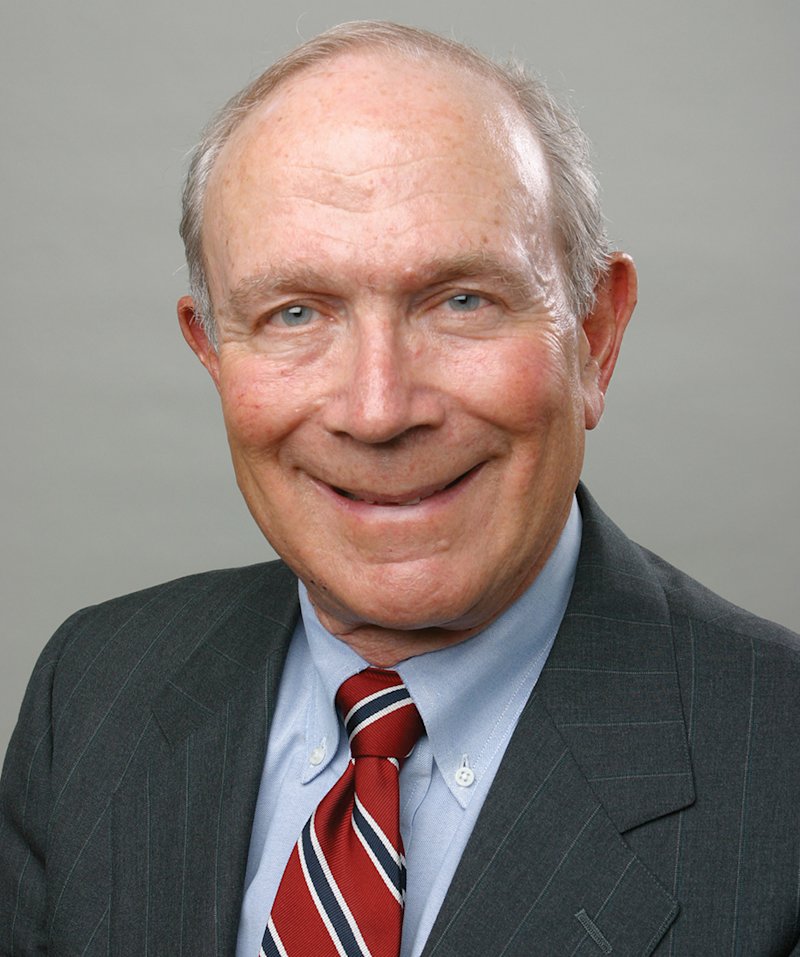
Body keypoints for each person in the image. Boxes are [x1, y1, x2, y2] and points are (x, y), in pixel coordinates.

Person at [1, 20, 799, 957]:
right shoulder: (92, 690)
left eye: (461, 300)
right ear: (212, 354)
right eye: (295, 313)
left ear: (595, 337)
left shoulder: (779, 772)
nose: (378, 410)